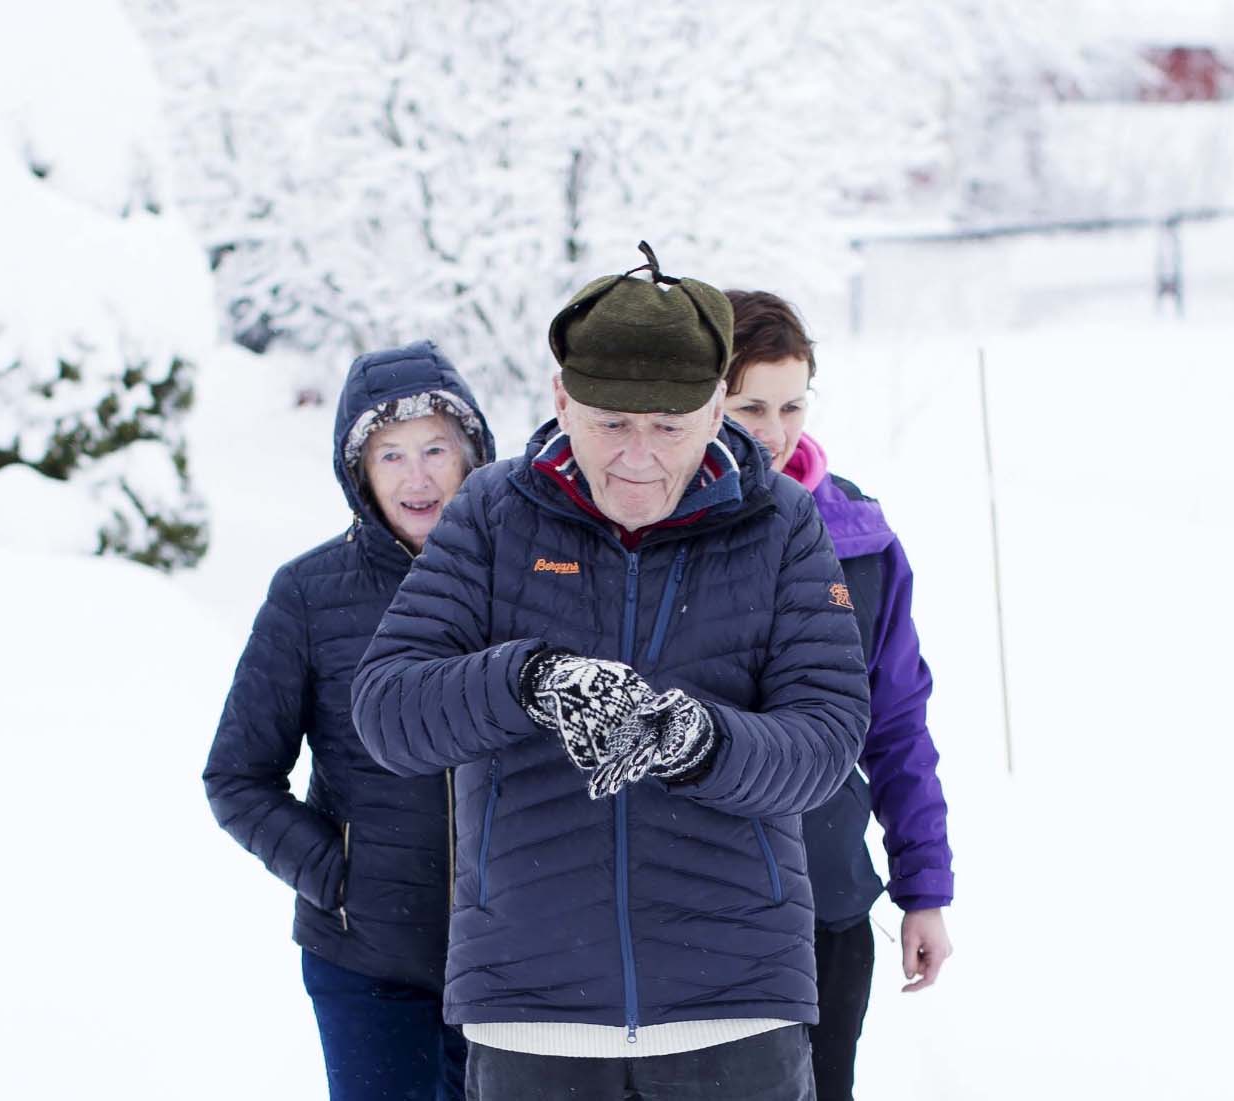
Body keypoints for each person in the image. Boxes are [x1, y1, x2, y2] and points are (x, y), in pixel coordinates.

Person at [351, 245, 871, 1101]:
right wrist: (529, 681)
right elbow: (387, 710)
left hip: (733, 1004)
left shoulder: (780, 523)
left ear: (714, 410)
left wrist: (700, 739)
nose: (637, 457)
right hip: (532, 1003)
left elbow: (824, 737)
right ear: (561, 399)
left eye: (667, 426)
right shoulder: (491, 513)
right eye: (608, 424)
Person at [204, 341, 496, 1101]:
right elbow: (237, 777)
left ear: (472, 455)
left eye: (436, 447)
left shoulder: (523, 577)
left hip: (516, 965)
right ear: (358, 471)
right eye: (390, 454)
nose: (418, 475)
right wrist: (338, 875)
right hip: (367, 964)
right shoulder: (309, 593)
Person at [722, 290, 954, 1101]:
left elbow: (895, 725)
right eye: (749, 404)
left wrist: (922, 887)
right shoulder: (658, 532)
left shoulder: (859, 539)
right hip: (700, 917)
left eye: (790, 404)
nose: (773, 430)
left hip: (827, 901)